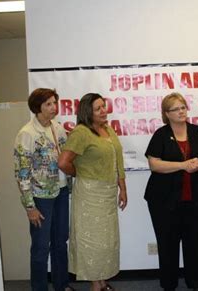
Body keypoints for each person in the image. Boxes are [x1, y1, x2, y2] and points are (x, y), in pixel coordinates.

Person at [144, 92, 198, 291]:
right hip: (163, 201)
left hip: (196, 198)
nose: (181, 111)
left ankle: (195, 283)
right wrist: (183, 165)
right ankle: (169, 285)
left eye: (183, 107)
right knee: (167, 245)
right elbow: (154, 164)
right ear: (166, 114)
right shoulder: (161, 134)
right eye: (175, 109)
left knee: (194, 243)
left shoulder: (197, 132)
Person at [58, 93, 127, 291]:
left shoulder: (107, 129)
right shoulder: (81, 132)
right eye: (98, 108)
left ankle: (102, 281)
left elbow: (118, 160)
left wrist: (123, 187)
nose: (104, 110)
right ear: (88, 112)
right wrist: (80, 173)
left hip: (107, 192)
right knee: (93, 242)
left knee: (107, 241)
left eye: (104, 106)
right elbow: (63, 162)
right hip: (90, 195)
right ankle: (96, 285)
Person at [14, 88, 74, 291]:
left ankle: (62, 285)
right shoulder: (27, 134)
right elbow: (22, 173)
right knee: (40, 247)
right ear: (37, 107)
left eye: (54, 103)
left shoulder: (58, 128)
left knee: (60, 242)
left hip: (62, 191)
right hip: (40, 197)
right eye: (48, 104)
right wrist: (29, 207)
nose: (54, 107)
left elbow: (67, 158)